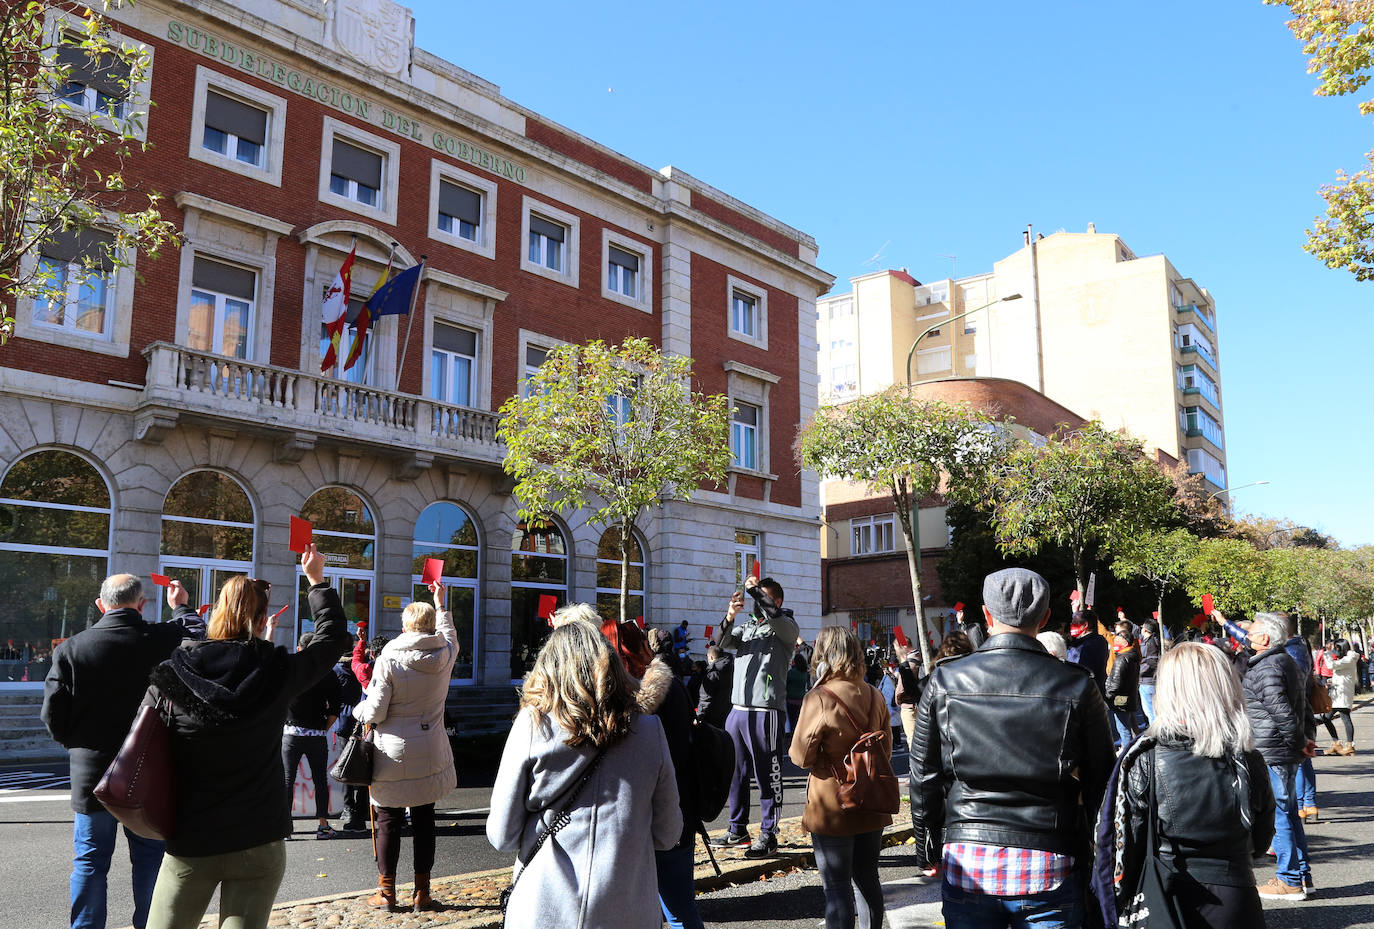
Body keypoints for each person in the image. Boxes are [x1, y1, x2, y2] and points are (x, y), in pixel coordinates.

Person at [143, 548, 351, 929]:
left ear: (217, 613)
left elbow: (144, 744)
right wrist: (317, 581)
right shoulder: (277, 670)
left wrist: (181, 611)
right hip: (259, 835)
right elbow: (333, 639)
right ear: (260, 621)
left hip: (193, 835)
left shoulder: (174, 673)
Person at [909, 568, 1115, 928]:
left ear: (986, 614)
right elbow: (1102, 780)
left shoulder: (945, 679)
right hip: (1050, 857)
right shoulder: (1077, 684)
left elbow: (924, 775)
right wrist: (1101, 853)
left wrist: (926, 846)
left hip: (968, 855)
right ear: (1046, 618)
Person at [487, 622, 681, 929]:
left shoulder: (532, 725)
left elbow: (502, 835)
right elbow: (668, 833)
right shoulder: (649, 730)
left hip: (544, 910)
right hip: (628, 910)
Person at [41, 575, 193, 929]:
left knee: (90, 863)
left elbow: (53, 715)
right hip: (149, 771)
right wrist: (180, 604)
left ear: (100, 605)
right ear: (141, 604)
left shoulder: (72, 648)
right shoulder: (162, 639)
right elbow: (196, 629)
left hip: (91, 773)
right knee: (151, 860)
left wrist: (76, 744)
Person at [1094, 643, 1274, 929]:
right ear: (1225, 687)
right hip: (1236, 894)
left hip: (1165, 895)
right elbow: (1261, 840)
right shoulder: (1248, 758)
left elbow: (1126, 846)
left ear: (1168, 690)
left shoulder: (1143, 758)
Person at [354, 580, 459, 912]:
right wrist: (441, 602)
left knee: (388, 820)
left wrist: (358, 710)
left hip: (392, 751)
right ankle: (422, 893)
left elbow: (375, 710)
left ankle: (386, 893)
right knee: (425, 817)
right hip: (431, 748)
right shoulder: (444, 653)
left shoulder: (389, 658)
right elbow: (451, 634)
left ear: (404, 626)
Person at [789, 626, 893, 929]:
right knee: (867, 879)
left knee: (836, 888)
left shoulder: (819, 697)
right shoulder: (874, 694)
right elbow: (884, 749)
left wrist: (827, 756)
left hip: (832, 801)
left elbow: (799, 756)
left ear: (823, 655)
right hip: (870, 798)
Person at [711, 575, 799, 858]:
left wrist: (755, 591)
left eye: (763, 597)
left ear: (777, 600)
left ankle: (768, 834)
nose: (756, 602)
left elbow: (772, 615)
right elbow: (719, 642)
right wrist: (730, 615)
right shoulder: (749, 627)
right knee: (735, 774)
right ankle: (738, 830)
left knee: (767, 775)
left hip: (765, 711)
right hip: (737, 710)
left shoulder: (785, 627)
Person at [1241, 612, 1316, 901]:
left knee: (1281, 815)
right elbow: (1302, 706)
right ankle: (1300, 876)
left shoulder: (1268, 667)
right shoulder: (1284, 660)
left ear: (1266, 638)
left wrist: (1301, 742)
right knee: (1289, 813)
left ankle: (1289, 880)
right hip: (1282, 749)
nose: (1248, 637)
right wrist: (1305, 740)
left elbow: (1283, 711)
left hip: (1273, 751)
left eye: (1252, 633)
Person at [641, 628, 706, 929]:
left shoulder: (653, 694)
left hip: (669, 809)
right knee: (678, 905)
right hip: (684, 803)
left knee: (677, 910)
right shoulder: (676, 683)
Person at [283, 632, 343, 840]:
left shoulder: (289, 669)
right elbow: (335, 709)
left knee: (287, 779)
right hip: (317, 733)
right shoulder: (327, 672)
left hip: (290, 733)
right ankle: (324, 826)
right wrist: (322, 729)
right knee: (319, 780)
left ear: (299, 649)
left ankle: (285, 828)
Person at [331, 643, 367, 832]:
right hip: (363, 720)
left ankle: (348, 808)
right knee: (363, 768)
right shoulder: (363, 668)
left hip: (343, 722)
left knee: (344, 767)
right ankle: (362, 809)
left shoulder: (335, 670)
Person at [1105, 625, 1143, 749]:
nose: (1114, 642)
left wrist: (1108, 697)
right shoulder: (1133, 656)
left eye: (1117, 639)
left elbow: (1115, 684)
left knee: (1123, 729)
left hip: (1120, 699)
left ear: (1125, 642)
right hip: (1129, 697)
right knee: (1131, 725)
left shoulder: (1122, 659)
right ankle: (1135, 749)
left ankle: (1127, 753)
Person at [1320, 641, 1358, 756]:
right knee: (1326, 718)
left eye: (1336, 648)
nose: (1335, 650)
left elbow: (1332, 665)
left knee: (1345, 717)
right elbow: (1341, 674)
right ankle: (1336, 743)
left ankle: (1350, 745)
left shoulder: (1349, 659)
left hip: (1343, 694)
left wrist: (1327, 653)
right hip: (1337, 694)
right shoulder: (1346, 659)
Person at [1065, 609, 1109, 698]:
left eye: (1074, 624)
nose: (1071, 627)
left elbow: (1076, 669)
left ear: (1085, 625)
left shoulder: (1087, 645)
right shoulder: (1098, 641)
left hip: (1083, 695)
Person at [893, 645, 923, 751]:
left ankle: (916, 766)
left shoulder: (908, 662)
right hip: (920, 704)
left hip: (909, 706)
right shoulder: (920, 657)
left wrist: (897, 699)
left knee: (912, 740)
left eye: (896, 648)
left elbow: (902, 688)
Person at [1137, 620, 1161, 725]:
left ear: (1145, 630)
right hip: (1150, 681)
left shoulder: (1150, 644)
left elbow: (1152, 662)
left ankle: (1156, 736)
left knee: (1151, 713)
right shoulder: (1151, 641)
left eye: (1142, 628)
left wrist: (1138, 672)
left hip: (1147, 682)